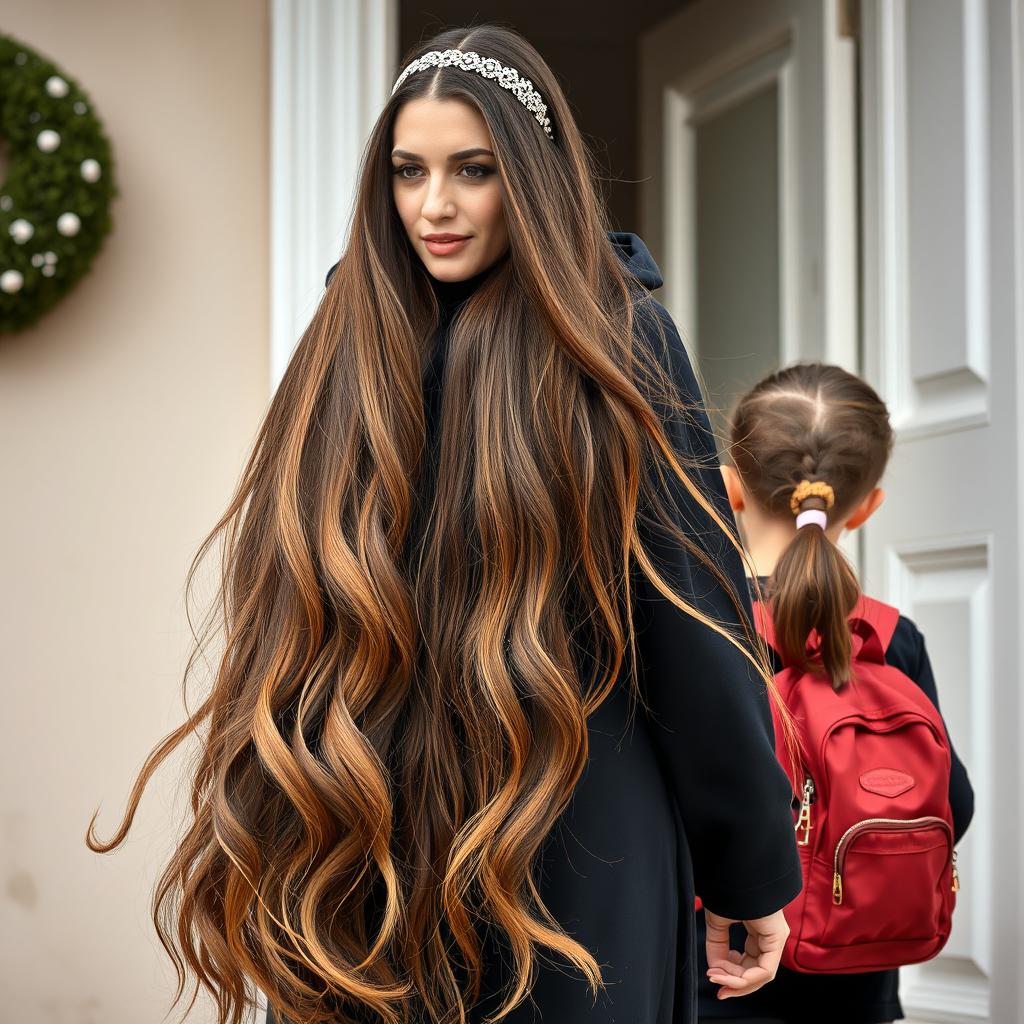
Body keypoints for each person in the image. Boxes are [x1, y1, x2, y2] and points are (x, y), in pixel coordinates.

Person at [87, 25, 802, 1024]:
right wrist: (752, 870)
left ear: (535, 174)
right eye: (406, 171)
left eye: (474, 169)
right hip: (374, 831)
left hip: (558, 837)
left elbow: (687, 620)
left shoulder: (605, 341)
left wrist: (745, 864)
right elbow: (698, 618)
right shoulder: (355, 339)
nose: (434, 206)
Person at [696, 363, 975, 1024]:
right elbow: (951, 803)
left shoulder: (699, 629)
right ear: (869, 502)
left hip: (717, 976)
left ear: (731, 490)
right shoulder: (884, 637)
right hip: (859, 975)